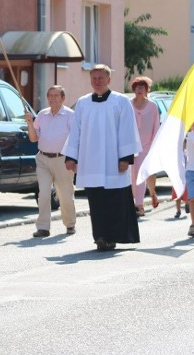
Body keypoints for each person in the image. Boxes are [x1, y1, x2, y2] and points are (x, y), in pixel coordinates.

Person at [63, 64, 142, 251]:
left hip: (113, 161)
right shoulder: (82, 103)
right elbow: (75, 131)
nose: (97, 81)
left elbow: (127, 129)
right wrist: (71, 157)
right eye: (94, 78)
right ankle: (99, 236)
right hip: (90, 161)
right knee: (96, 201)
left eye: (101, 78)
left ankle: (112, 237)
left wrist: (125, 157)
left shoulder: (121, 101)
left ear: (109, 80)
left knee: (114, 201)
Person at [25, 85, 77, 237]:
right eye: (50, 95)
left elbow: (75, 139)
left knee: (65, 194)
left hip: (62, 159)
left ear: (63, 98)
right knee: (44, 193)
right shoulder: (42, 114)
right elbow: (33, 138)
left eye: (56, 95)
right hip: (43, 159)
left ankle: (70, 224)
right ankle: (43, 227)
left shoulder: (70, 115)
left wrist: (73, 159)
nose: (53, 98)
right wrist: (30, 122)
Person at [129, 76, 160, 216]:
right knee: (131, 176)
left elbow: (156, 126)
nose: (139, 90)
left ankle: (139, 205)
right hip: (129, 146)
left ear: (147, 90)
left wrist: (154, 146)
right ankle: (132, 202)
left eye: (142, 87)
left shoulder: (152, 106)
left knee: (140, 175)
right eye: (137, 87)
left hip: (145, 146)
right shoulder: (128, 104)